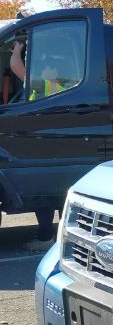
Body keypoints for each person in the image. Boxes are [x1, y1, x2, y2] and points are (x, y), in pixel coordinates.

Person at [9, 40, 59, 251]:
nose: (41, 70)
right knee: (57, 197)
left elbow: (16, 67)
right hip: (52, 148)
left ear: (54, 72)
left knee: (45, 197)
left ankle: (47, 237)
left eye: (45, 67)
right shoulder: (53, 87)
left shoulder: (49, 85)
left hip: (47, 149)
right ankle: (56, 238)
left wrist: (18, 50)